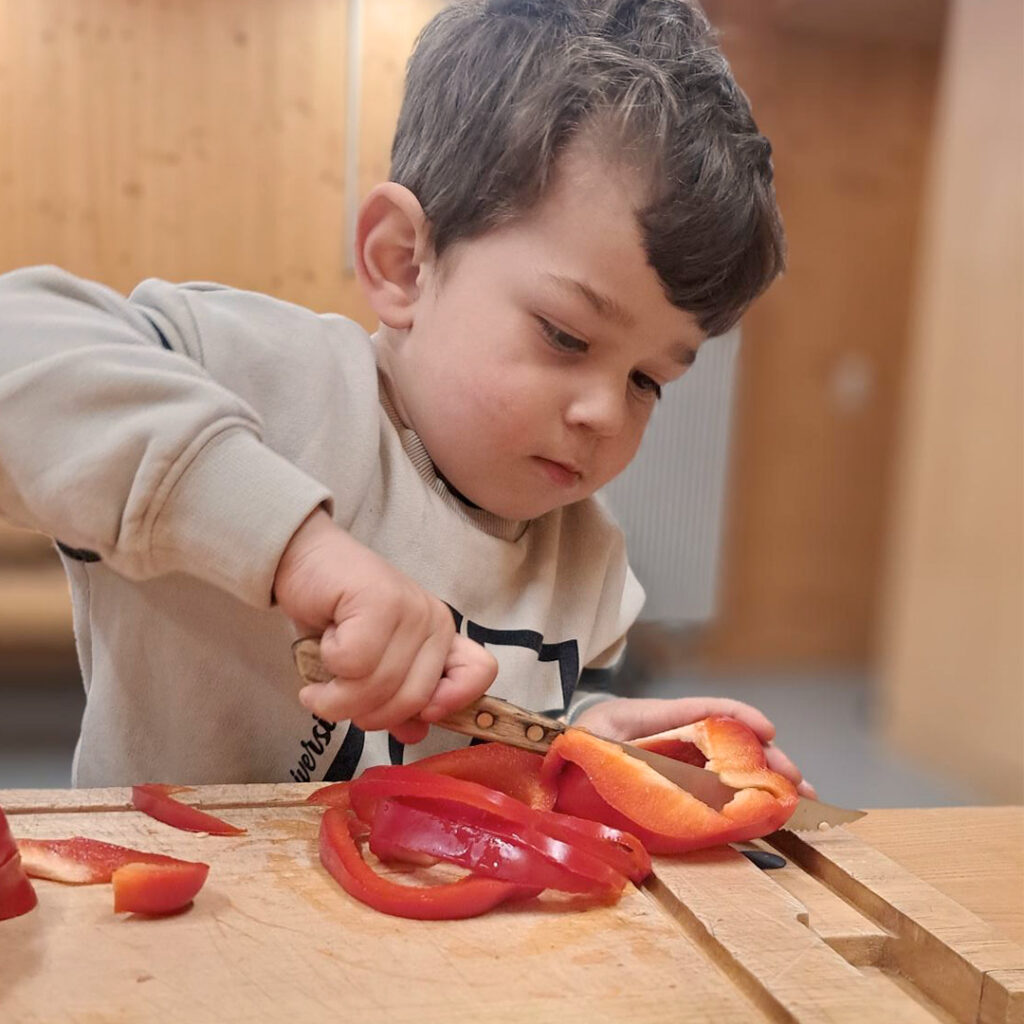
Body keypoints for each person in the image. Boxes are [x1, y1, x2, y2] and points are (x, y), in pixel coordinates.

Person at [0, 0, 814, 796]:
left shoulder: (587, 559)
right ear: (403, 264)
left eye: (648, 381)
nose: (605, 414)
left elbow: (498, 729)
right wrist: (299, 551)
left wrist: (579, 740)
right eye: (565, 336)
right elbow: (19, 344)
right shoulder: (269, 380)